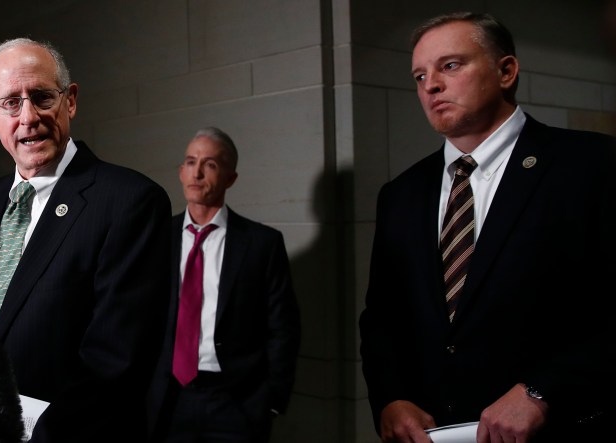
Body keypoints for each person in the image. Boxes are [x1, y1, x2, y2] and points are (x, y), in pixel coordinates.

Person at [358, 11, 616, 443]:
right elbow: (382, 318)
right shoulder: (400, 193)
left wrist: (542, 391)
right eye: (419, 76)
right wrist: (391, 397)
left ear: (506, 71)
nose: (431, 86)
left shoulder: (591, 165)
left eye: (450, 65)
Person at [0, 37, 172, 442]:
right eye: (10, 102)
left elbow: (117, 359)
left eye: (42, 97)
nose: (28, 116)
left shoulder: (130, 202)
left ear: (70, 101)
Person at [147, 127, 301, 442]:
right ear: (180, 172)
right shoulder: (155, 237)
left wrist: (270, 401)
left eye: (211, 165)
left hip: (236, 403)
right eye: (191, 162)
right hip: (166, 397)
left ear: (230, 178)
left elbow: (283, 328)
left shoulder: (262, 243)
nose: (198, 173)